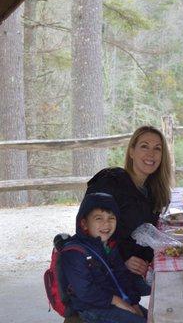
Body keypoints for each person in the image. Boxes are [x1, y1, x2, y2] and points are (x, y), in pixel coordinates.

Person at [86, 126, 172, 294]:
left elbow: (143, 234)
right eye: (144, 146)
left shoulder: (151, 190)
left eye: (157, 149)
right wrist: (122, 260)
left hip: (141, 269)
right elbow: (88, 232)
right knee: (174, 287)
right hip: (108, 272)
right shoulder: (110, 182)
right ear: (131, 151)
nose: (151, 154)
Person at [61, 192, 147, 323]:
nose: (106, 224)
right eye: (98, 218)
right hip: (91, 308)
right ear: (84, 223)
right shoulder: (75, 253)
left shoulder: (109, 245)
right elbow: (85, 292)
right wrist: (116, 301)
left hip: (114, 300)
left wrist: (133, 302)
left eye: (111, 218)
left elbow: (122, 275)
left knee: (153, 317)